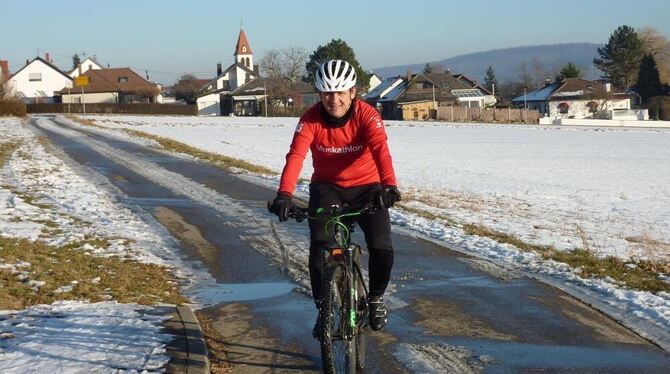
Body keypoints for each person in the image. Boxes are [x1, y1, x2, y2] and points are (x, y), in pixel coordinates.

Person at [268, 59, 401, 334]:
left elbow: (380, 150)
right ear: (320, 95)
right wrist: (284, 194)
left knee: (381, 246)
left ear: (353, 92)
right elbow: (296, 156)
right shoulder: (310, 120)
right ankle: (324, 309)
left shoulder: (367, 115)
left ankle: (375, 297)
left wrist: (389, 185)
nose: (334, 100)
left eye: (341, 92)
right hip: (327, 188)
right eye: (328, 93)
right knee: (320, 248)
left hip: (369, 187)